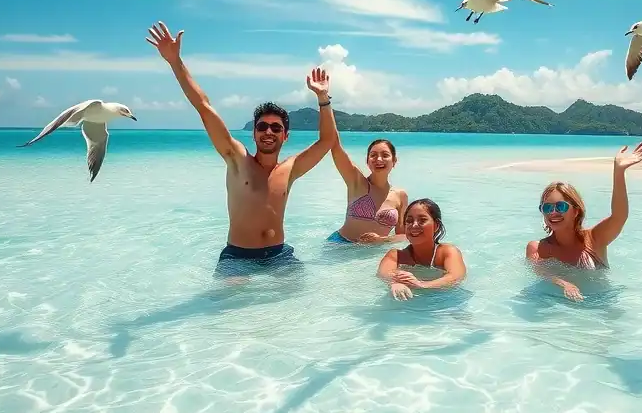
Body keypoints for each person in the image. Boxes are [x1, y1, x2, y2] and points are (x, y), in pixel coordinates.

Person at [146, 21, 337, 269]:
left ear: (285, 136)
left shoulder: (290, 169)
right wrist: (175, 62)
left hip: (280, 255)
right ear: (254, 133)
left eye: (276, 128)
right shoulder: (237, 159)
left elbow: (327, 141)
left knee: (302, 304)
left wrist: (323, 98)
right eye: (262, 127)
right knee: (228, 306)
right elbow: (204, 107)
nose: (268, 132)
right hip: (238, 257)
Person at [525, 142, 642, 300]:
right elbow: (539, 271)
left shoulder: (595, 239)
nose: (553, 212)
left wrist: (618, 171)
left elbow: (619, 216)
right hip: (557, 311)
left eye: (561, 206)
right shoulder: (537, 248)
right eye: (547, 208)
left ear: (576, 211)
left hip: (600, 306)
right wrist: (564, 283)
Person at [376, 198, 466, 301]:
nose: (414, 225)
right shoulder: (395, 256)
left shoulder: (447, 252)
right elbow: (383, 274)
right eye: (409, 221)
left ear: (436, 226)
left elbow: (456, 277)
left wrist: (421, 285)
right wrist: (395, 282)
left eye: (422, 220)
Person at [327, 137, 408, 244]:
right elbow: (335, 147)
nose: (379, 159)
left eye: (385, 155)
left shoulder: (400, 196)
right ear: (367, 161)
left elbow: (404, 236)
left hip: (374, 253)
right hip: (340, 246)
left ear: (394, 161)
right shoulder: (357, 183)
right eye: (373, 155)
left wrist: (382, 240)